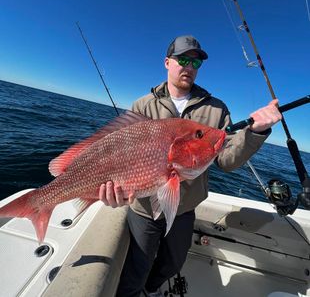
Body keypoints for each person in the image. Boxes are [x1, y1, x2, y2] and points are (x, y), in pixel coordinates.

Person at [99, 35, 282, 297]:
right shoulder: (142, 105)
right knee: (137, 266)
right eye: (182, 59)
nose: (189, 66)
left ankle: (152, 290)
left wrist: (255, 132)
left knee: (173, 262)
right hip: (142, 208)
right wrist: (117, 190)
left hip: (184, 208)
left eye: (195, 63)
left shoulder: (216, 109)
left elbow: (226, 160)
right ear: (167, 62)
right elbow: (122, 155)